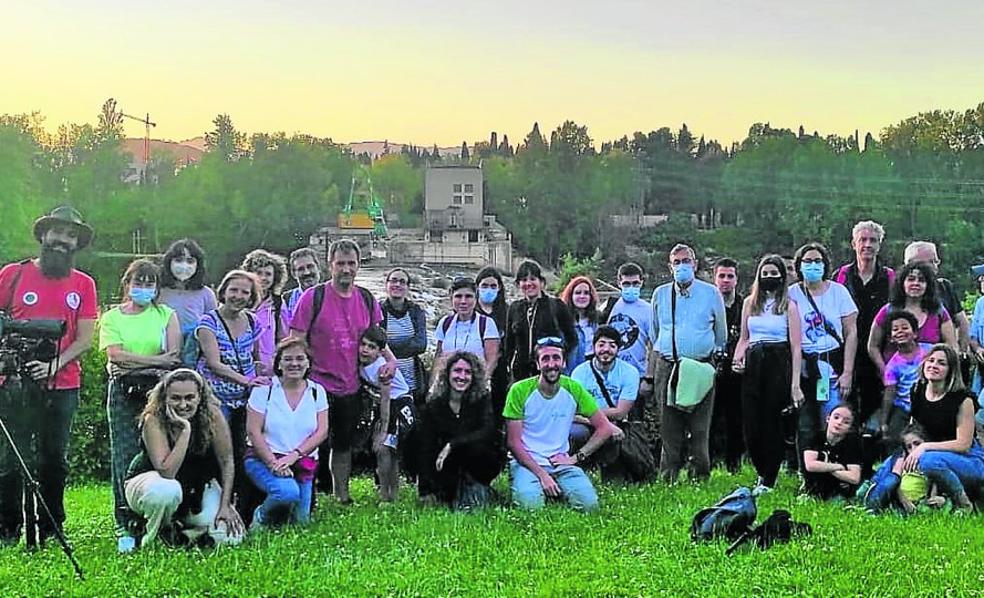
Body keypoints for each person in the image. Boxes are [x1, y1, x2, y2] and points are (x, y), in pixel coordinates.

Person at [0, 206, 97, 546]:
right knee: (10, 458)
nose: (62, 240)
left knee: (54, 459)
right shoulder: (12, 275)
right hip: (12, 383)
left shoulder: (84, 284)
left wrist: (54, 365)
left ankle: (52, 527)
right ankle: (7, 530)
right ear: (43, 235)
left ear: (76, 244)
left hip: (63, 384)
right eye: (57, 232)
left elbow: (85, 338)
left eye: (70, 235)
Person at [289, 239, 396, 504]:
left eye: (351, 264)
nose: (346, 269)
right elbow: (296, 340)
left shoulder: (367, 299)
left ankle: (342, 495)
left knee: (344, 445)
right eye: (340, 264)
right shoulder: (313, 297)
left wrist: (391, 361)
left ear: (358, 265)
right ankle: (305, 495)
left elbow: (378, 339)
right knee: (309, 444)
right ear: (330, 265)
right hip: (316, 385)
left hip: (351, 384)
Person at [99, 258, 182, 553]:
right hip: (123, 393)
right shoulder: (112, 318)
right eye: (138, 282)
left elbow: (174, 356)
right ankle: (124, 523)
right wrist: (155, 362)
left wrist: (139, 364)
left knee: (160, 455)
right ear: (127, 284)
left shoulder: (166, 314)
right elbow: (115, 357)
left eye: (150, 284)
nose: (143, 288)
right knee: (123, 456)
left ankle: (162, 522)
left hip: (158, 393)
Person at [123, 369, 245, 548]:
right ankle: (153, 538)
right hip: (153, 482)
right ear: (165, 397)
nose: (182, 404)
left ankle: (184, 533)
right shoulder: (153, 419)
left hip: (196, 486)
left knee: (229, 537)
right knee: (166, 491)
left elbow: (227, 462)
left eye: (189, 397)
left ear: (200, 397)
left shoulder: (213, 415)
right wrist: (185, 431)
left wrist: (225, 505)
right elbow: (167, 471)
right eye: (175, 398)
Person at [504, 338, 614, 511]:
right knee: (530, 508)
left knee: (590, 506)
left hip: (560, 462)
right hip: (527, 462)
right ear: (538, 364)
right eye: (545, 359)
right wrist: (542, 475)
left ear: (563, 362)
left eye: (556, 358)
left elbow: (605, 428)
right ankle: (541, 486)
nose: (551, 364)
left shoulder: (573, 389)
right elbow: (513, 442)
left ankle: (556, 486)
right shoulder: (519, 390)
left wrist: (576, 457)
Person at [646, 244, 727, 482]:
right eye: (677, 262)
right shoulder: (660, 294)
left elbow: (720, 334)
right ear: (670, 267)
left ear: (695, 264)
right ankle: (668, 475)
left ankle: (699, 475)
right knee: (669, 425)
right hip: (668, 365)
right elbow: (654, 332)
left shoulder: (711, 293)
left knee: (699, 427)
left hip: (700, 367)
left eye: (686, 261)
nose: (682, 266)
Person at [195, 269, 270, 512]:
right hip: (217, 398)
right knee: (219, 451)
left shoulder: (252, 321)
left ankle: (243, 503)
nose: (238, 296)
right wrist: (246, 380)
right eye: (234, 290)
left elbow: (257, 357)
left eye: (244, 292)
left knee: (244, 451)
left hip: (246, 399)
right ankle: (215, 504)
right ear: (224, 291)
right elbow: (215, 364)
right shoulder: (208, 322)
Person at [732, 255, 803, 495]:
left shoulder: (789, 307)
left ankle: (769, 477)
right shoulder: (750, 304)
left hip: (778, 361)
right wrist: (737, 358)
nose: (769, 278)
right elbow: (744, 337)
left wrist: (795, 384)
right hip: (754, 362)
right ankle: (760, 469)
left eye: (774, 274)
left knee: (772, 422)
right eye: (766, 273)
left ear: (782, 277)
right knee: (752, 423)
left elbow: (795, 346)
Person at [787, 242, 858, 468]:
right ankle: (805, 471)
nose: (813, 266)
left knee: (833, 416)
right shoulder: (792, 294)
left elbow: (851, 332)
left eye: (817, 261)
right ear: (799, 265)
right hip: (803, 363)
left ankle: (838, 467)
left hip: (831, 363)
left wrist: (847, 371)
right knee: (805, 421)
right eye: (807, 261)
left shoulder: (839, 292)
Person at [245, 338, 328, 528]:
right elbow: (253, 431)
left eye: (300, 359)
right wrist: (273, 463)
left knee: (302, 524)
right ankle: (261, 518)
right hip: (264, 459)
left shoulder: (317, 391)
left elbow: (321, 431)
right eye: (288, 359)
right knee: (287, 492)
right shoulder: (264, 390)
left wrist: (294, 456)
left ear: (308, 363)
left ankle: (281, 520)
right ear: (279, 363)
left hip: (302, 462)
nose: (294, 364)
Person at [417, 351, 502, 509]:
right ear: (448, 374)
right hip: (447, 467)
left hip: (478, 463)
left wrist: (453, 444)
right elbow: (425, 447)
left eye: (467, 372)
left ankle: (478, 490)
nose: (462, 376)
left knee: (477, 446)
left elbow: (487, 431)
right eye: (457, 371)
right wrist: (425, 491)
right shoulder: (434, 405)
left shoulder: (482, 400)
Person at [904, 344, 983, 512]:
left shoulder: (963, 399)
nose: (933, 365)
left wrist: (924, 447)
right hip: (933, 453)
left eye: (941, 363)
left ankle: (964, 504)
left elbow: (963, 445)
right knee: (891, 463)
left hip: (968, 460)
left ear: (951, 370)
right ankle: (873, 501)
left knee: (929, 461)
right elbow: (915, 430)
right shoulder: (917, 390)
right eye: (930, 360)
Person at [833, 222, 895, 430]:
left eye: (873, 240)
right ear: (854, 244)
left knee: (875, 405)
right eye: (863, 240)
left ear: (880, 245)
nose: (868, 245)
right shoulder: (840, 277)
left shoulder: (890, 278)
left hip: (879, 351)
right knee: (844, 404)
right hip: (846, 352)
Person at [867, 261, 957, 379]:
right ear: (902, 283)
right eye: (911, 279)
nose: (916, 283)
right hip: (895, 383)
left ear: (928, 285)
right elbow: (873, 346)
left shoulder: (938, 311)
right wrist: (886, 372)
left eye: (921, 280)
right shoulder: (888, 311)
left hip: (930, 382)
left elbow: (951, 346)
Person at [358, 326, 416, 502]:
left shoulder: (382, 369)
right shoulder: (360, 363)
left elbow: (385, 400)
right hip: (384, 405)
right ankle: (386, 492)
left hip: (398, 403)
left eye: (371, 347)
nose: (365, 350)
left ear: (380, 352)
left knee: (385, 447)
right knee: (384, 451)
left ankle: (390, 494)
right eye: (363, 344)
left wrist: (383, 430)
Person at [503, 260, 577, 382]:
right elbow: (509, 343)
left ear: (541, 282)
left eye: (533, 279)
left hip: (549, 371)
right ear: (518, 284)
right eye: (524, 280)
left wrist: (558, 357)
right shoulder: (514, 308)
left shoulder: (556, 306)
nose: (528, 283)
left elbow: (572, 338)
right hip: (521, 374)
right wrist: (510, 365)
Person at [904, 241, 970, 359]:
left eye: (936, 261)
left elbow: (963, 322)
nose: (936, 266)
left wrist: (961, 352)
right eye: (931, 262)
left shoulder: (944, 287)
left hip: (941, 362)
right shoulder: (900, 293)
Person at [157, 239, 217, 367]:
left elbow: (213, 328)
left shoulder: (206, 294)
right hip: (162, 354)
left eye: (190, 261)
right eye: (179, 260)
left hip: (194, 355)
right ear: (169, 262)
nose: (184, 266)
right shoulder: (158, 291)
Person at [861, 423, 944, 514]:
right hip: (898, 498)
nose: (913, 449)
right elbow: (895, 485)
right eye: (909, 447)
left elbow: (934, 482)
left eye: (917, 444)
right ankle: (870, 507)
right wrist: (905, 502)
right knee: (891, 481)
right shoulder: (903, 460)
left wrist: (934, 498)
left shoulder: (931, 461)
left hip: (918, 502)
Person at [710, 257, 745, 473]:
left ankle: (735, 463)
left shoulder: (746, 305)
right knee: (711, 418)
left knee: (736, 418)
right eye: (721, 276)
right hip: (712, 368)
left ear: (736, 279)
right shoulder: (707, 305)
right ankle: (709, 461)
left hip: (738, 370)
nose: (725, 280)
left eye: (730, 276)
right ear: (715, 279)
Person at [877, 311, 927, 451]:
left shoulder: (929, 353)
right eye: (895, 329)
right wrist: (884, 422)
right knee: (895, 439)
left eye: (905, 328)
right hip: (904, 407)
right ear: (891, 338)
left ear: (915, 333)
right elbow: (889, 394)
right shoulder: (892, 366)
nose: (900, 331)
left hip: (927, 403)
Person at [380, 267, 428, 403]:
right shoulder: (378, 311)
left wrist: (389, 348)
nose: (397, 285)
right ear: (387, 284)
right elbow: (377, 346)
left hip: (412, 379)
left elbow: (421, 345)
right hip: (387, 379)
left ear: (408, 287)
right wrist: (407, 346)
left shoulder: (416, 312)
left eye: (402, 282)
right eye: (394, 281)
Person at [435, 277, 500, 371]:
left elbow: (492, 361)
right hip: (447, 382)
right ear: (451, 298)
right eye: (458, 296)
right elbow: (438, 358)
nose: (463, 301)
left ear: (476, 298)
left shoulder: (486, 324)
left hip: (476, 382)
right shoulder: (445, 323)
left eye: (468, 296)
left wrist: (481, 382)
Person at [801, 403, 862, 500]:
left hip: (838, 491)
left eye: (846, 422)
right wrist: (839, 467)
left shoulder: (852, 444)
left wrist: (823, 467)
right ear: (828, 418)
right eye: (836, 417)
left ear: (850, 428)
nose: (839, 423)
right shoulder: (815, 437)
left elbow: (854, 477)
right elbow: (810, 465)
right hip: (814, 489)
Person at [606, 263, 655, 384]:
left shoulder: (648, 310)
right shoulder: (609, 307)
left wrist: (649, 377)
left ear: (641, 282)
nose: (631, 287)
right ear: (619, 283)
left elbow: (654, 345)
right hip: (610, 373)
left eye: (635, 283)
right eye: (626, 284)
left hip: (638, 374)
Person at [241, 249, 288, 371]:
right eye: (258, 273)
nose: (263, 278)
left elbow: (284, 339)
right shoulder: (239, 301)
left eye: (268, 274)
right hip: (241, 368)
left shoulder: (277, 304)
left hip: (268, 370)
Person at [475, 266, 511, 418]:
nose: (488, 290)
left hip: (501, 374)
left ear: (499, 288)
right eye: (484, 286)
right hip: (474, 371)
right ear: (477, 287)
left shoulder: (508, 313)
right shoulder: (470, 312)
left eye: (493, 286)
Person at [559, 275, 601, 373]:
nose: (582, 296)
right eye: (578, 293)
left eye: (586, 293)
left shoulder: (597, 322)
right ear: (570, 296)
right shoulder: (562, 323)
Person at [280, 248, 323, 331]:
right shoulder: (285, 300)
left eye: (310, 267)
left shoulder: (332, 295)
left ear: (318, 268)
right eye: (301, 269)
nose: (307, 272)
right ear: (294, 274)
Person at [970, 263, 984, 399]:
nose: (980, 280)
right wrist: (978, 349)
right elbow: (973, 337)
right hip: (982, 370)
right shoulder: (981, 303)